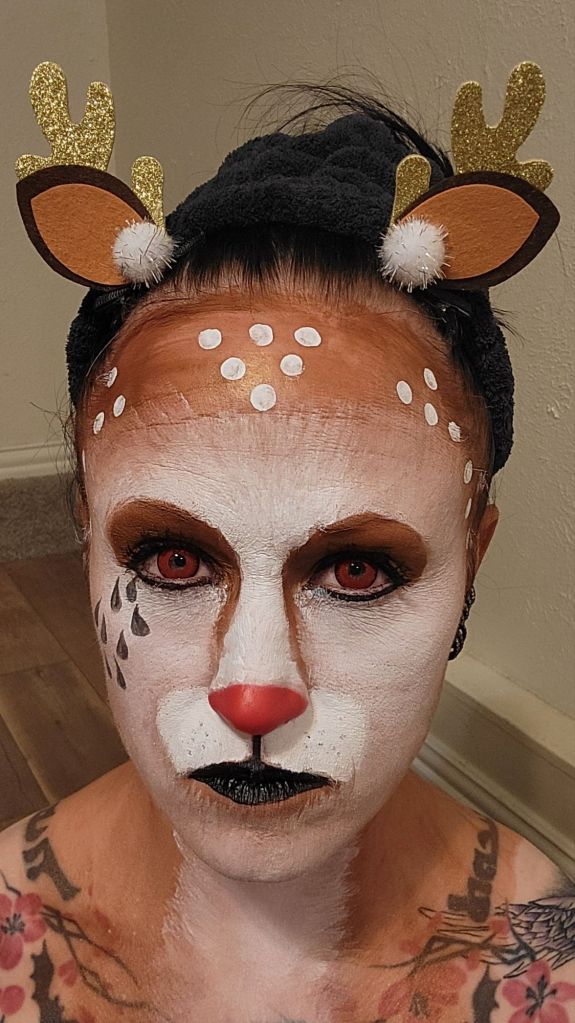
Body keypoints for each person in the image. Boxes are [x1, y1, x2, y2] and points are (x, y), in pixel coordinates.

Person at [1, 60, 572, 1023]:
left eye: (355, 570)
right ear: (85, 534)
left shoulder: (544, 973)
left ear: (471, 563)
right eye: (174, 560)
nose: (254, 690)